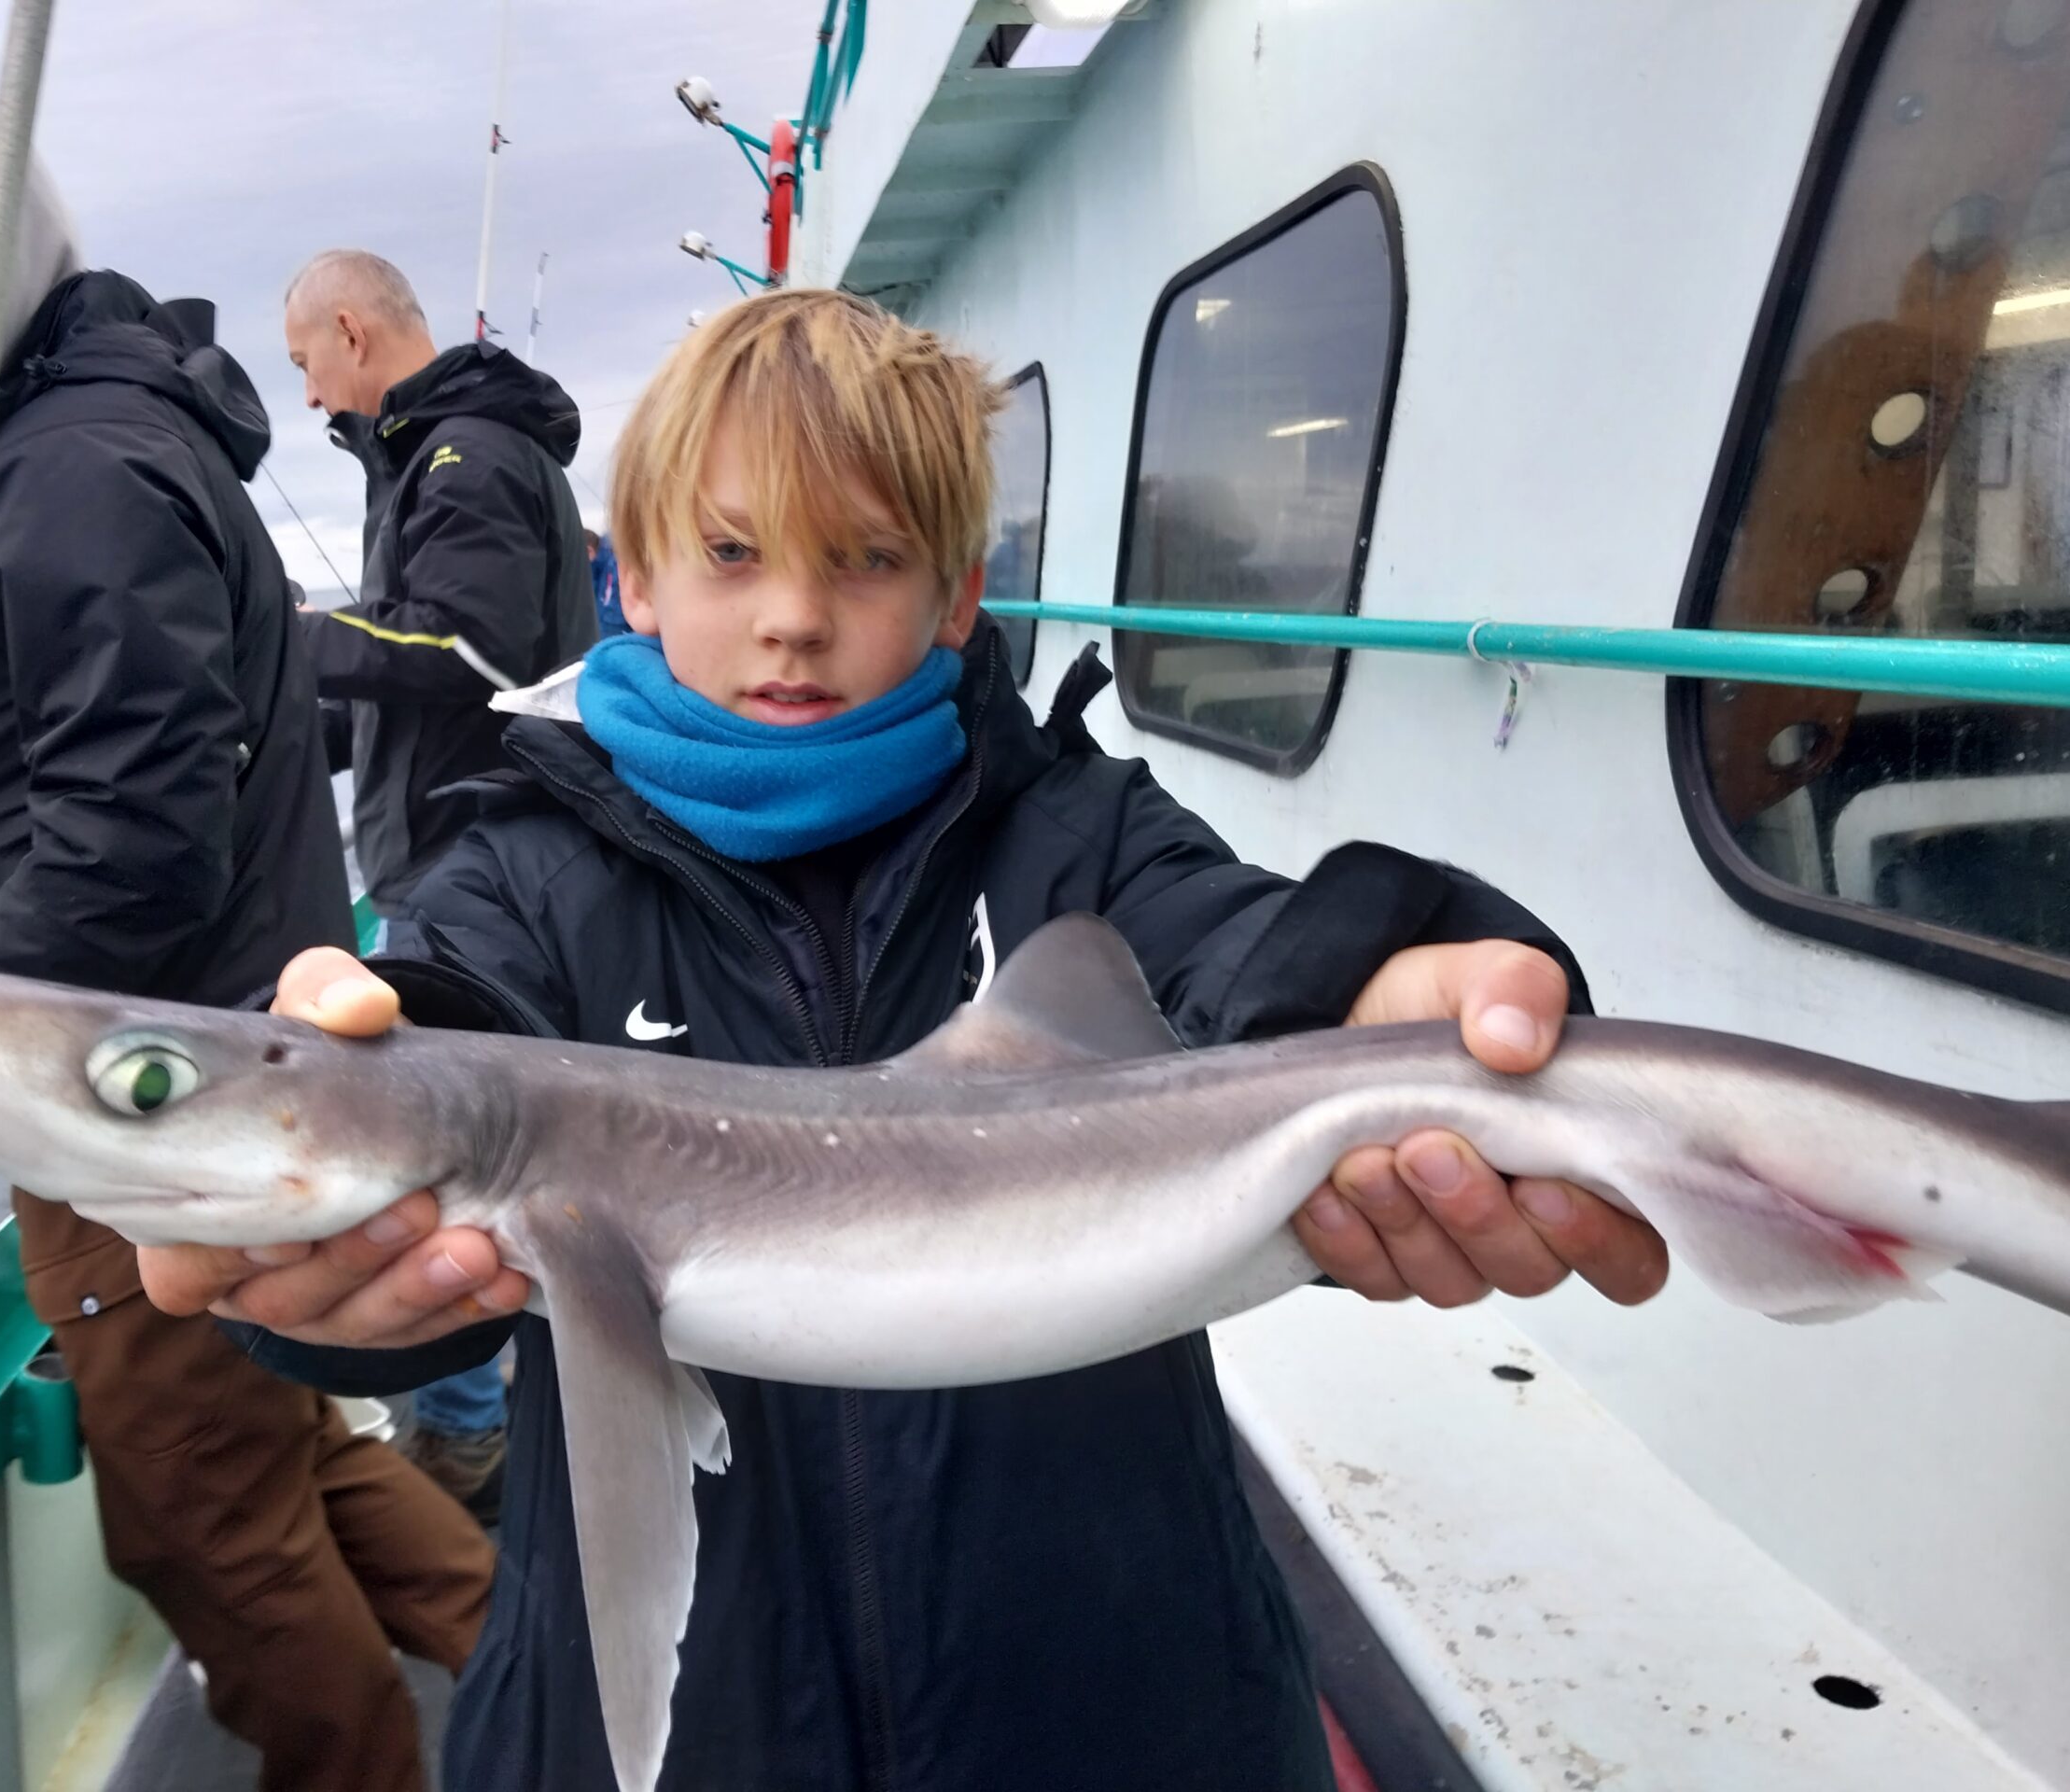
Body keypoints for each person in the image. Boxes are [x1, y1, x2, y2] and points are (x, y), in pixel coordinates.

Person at [137, 288, 1671, 1792]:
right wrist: (315, 1210)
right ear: (639, 576)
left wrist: (1397, 976)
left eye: (865, 560)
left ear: (954, 598)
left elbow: (1249, 957)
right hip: (691, 1723)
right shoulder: (520, 873)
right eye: (733, 554)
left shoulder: (1081, 834)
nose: (794, 615)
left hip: (1117, 1698)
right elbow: (449, 1053)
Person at [0, 77, 494, 1792]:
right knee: (298, 1467)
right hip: (237, 1074)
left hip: (147, 1114)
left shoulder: (68, 464)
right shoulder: (88, 432)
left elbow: (125, 845)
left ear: (16, 236)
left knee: (210, 1538)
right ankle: (587, 1716)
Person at [279, 248, 594, 1521]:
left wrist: (279, 635)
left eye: (305, 362)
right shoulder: (435, 457)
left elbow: (464, 647)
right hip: (464, 847)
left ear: (351, 331)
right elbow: (432, 667)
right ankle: (497, 1409)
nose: (307, 397)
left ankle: (470, 1437)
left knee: (448, 1160)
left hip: (478, 864)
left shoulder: (463, 457)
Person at [584, 525, 628, 637]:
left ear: (589, 550)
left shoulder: (614, 566)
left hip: (615, 630)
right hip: (603, 624)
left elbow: (613, 611)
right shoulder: (598, 566)